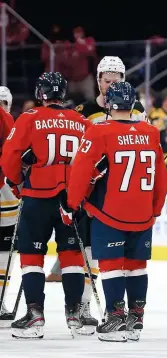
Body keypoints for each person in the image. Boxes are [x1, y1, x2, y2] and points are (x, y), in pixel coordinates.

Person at [46, 56, 148, 336]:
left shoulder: (137, 111)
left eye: (117, 79)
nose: (111, 83)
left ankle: (123, 312)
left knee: (127, 258)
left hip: (122, 196)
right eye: (107, 79)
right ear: (99, 79)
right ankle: (87, 307)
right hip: (93, 196)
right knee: (90, 254)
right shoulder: (84, 111)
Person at [66, 81, 167, 342]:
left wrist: (73, 203)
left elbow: (80, 171)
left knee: (111, 266)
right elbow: (162, 177)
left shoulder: (99, 131)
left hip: (109, 211)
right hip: (143, 212)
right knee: (137, 266)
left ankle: (115, 318)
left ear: (109, 104)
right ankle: (135, 318)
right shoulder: (150, 132)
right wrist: (155, 209)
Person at [1, 72, 90, 339]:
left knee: (31, 256)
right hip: (72, 199)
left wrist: (17, 184)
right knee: (72, 256)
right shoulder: (81, 121)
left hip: (38, 196)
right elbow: (92, 161)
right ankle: (75, 314)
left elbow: (9, 158)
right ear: (62, 94)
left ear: (41, 94)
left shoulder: (29, 118)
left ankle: (35, 315)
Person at [0, 86, 16, 325]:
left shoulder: (8, 120)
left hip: (7, 194)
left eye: (4, 102)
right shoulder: (6, 119)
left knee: (4, 250)